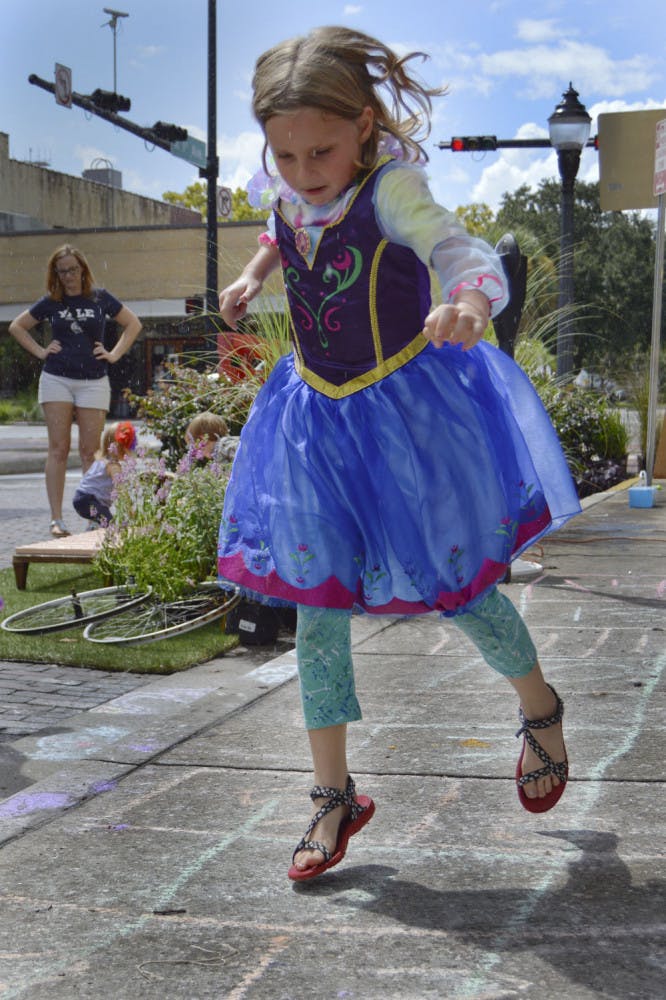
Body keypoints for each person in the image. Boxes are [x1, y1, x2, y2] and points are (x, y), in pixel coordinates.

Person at [217, 26, 581, 882]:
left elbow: (458, 246)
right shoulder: (289, 183)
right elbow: (283, 225)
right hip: (312, 423)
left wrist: (468, 297)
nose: (306, 170)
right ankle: (334, 795)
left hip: (405, 418)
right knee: (317, 608)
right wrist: (252, 276)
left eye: (323, 150)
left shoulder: (393, 189)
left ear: (367, 127)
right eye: (287, 154)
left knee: (459, 587)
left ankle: (541, 709)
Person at [8, 244, 142, 537]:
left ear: (83, 269)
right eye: (61, 271)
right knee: (58, 449)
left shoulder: (100, 298)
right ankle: (57, 519)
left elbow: (133, 323)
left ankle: (94, 516)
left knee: (90, 451)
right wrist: (41, 351)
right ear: (55, 274)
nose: (68, 276)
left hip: (93, 380)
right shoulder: (51, 302)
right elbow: (18, 327)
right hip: (57, 378)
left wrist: (114, 353)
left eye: (72, 269)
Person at [72, 420, 136, 527]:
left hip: (81, 497)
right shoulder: (113, 466)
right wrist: (131, 511)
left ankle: (93, 528)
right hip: (90, 500)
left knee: (104, 520)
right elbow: (122, 490)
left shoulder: (101, 461)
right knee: (112, 526)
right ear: (121, 448)